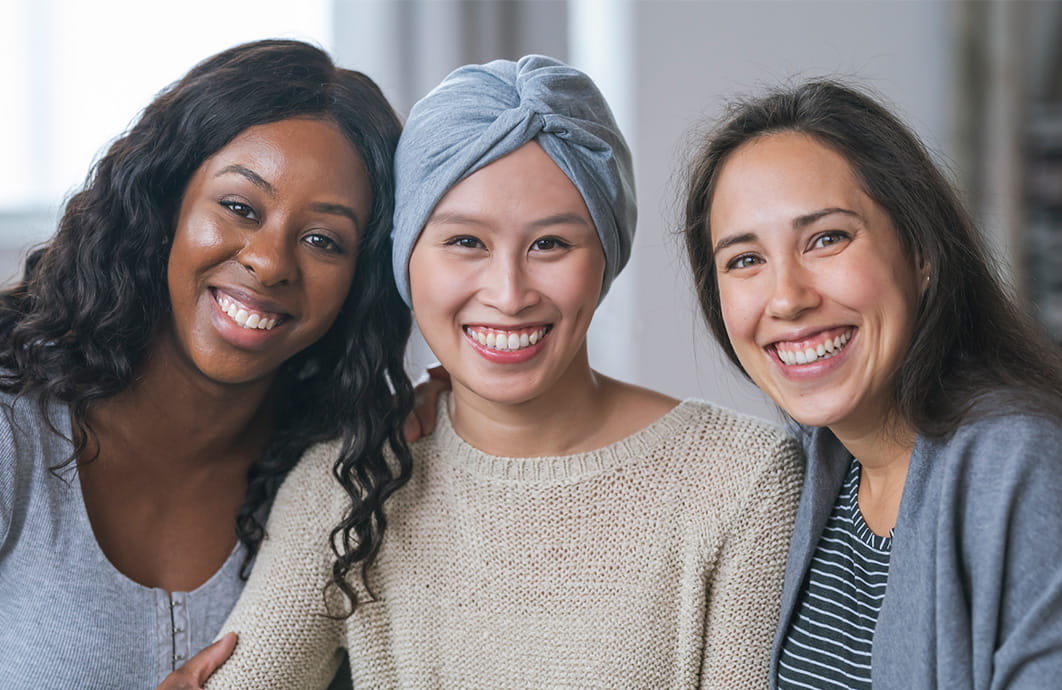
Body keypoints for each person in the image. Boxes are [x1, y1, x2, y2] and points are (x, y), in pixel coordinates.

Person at [194, 55, 803, 689]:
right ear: (407, 261)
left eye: (550, 245)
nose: (509, 294)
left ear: (606, 258)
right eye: (465, 242)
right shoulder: (348, 481)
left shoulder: (740, 479)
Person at [0, 39, 414, 688]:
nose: (271, 262)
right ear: (168, 202)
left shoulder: (344, 476)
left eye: (322, 240)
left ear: (359, 282)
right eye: (240, 208)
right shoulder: (12, 430)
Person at [683, 79, 1062, 688]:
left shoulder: (1020, 465)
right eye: (745, 260)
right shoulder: (805, 474)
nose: (786, 298)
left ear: (921, 253)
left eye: (827, 238)